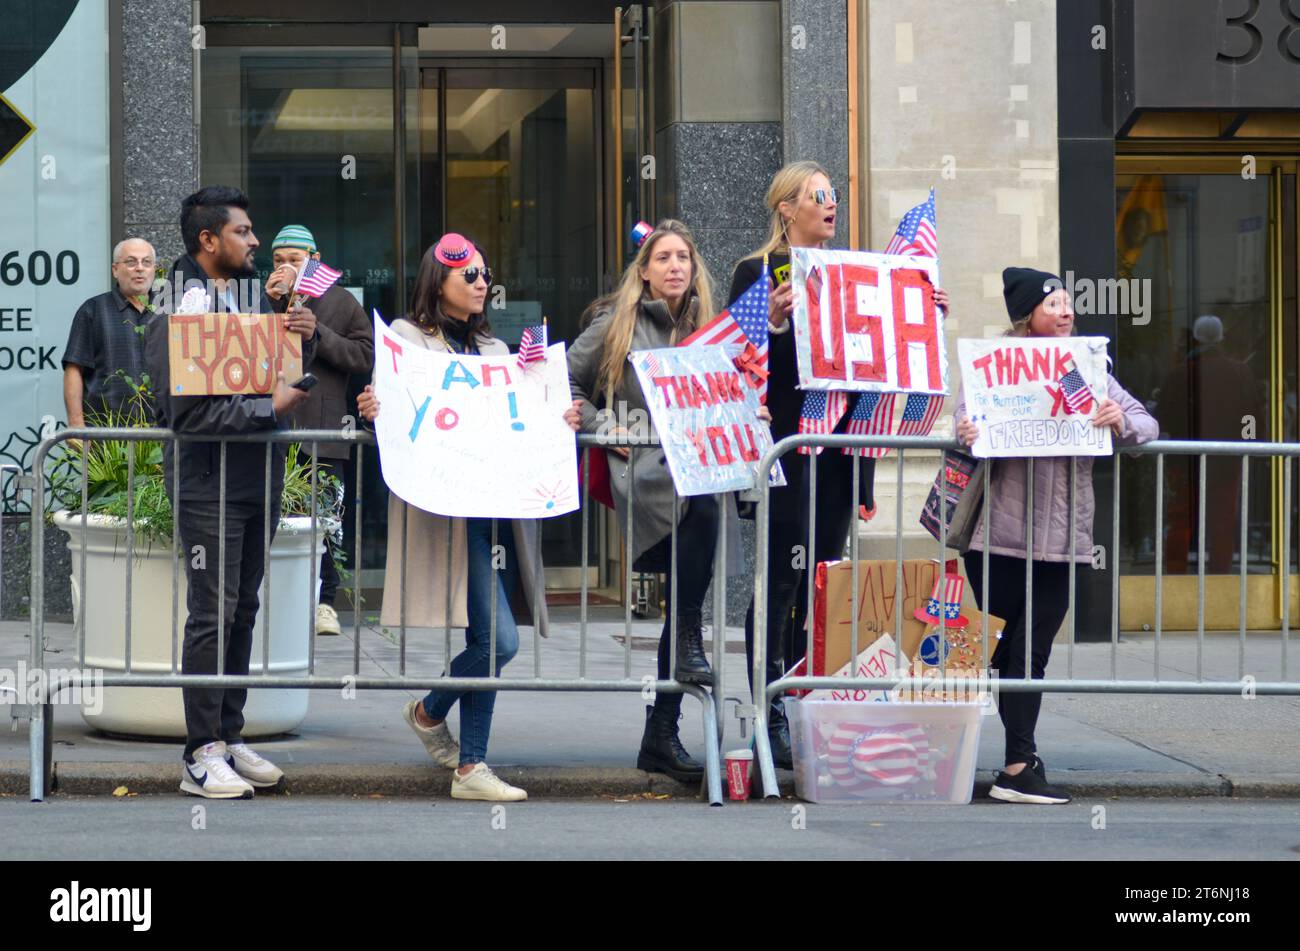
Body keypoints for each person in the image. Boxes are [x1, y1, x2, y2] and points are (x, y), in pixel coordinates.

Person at [730, 161, 949, 768]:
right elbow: (738, 360)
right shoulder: (757, 271)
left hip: (837, 458)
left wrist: (919, 312)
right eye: (818, 197)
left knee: (823, 583)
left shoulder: (852, 274)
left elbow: (872, 374)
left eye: (833, 197)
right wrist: (774, 320)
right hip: (784, 452)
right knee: (779, 579)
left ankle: (808, 699)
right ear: (786, 208)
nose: (831, 206)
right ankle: (766, 706)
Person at [356, 233, 580, 802]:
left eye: (484, 274)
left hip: (493, 516)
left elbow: (525, 419)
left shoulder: (499, 355)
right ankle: (460, 752)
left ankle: (443, 729)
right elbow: (393, 412)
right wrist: (371, 409)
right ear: (439, 283)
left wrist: (562, 412)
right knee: (499, 641)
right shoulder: (407, 340)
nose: (483, 283)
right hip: (445, 513)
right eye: (470, 276)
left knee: (491, 637)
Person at [955, 267, 1157, 805]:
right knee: (1006, 651)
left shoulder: (1088, 370)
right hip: (995, 538)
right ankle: (1020, 763)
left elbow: (1147, 425)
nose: (1066, 312)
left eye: (1069, 303)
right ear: (1028, 316)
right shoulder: (993, 369)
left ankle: (1019, 763)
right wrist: (967, 430)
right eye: (1054, 305)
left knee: (1032, 648)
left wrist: (1121, 420)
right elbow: (960, 422)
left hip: (1062, 540)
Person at [145, 185, 319, 799]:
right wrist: (265, 409)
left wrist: (305, 333)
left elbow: (285, 375)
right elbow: (185, 416)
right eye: (243, 232)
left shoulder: (246, 298)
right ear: (208, 240)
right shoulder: (177, 305)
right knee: (212, 614)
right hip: (207, 485)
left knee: (242, 610)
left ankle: (229, 734)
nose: (255, 241)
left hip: (258, 478)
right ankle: (200, 754)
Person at [568, 219, 756, 783]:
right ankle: (683, 657)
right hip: (647, 477)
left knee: (687, 587)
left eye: (684, 257)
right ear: (644, 271)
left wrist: (751, 412)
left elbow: (736, 393)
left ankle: (661, 732)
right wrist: (603, 425)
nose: (676, 266)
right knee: (698, 523)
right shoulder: (615, 324)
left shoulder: (712, 331)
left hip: (700, 473)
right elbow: (565, 381)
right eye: (664, 257)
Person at [264, 224, 375, 635]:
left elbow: (364, 356)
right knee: (270, 512)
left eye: (294, 259)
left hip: (324, 427)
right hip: (269, 422)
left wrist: (320, 333)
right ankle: (276, 597)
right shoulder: (261, 299)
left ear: (314, 258)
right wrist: (269, 305)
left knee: (326, 517)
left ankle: (325, 602)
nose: (285, 266)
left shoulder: (341, 302)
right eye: (278, 260)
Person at [1155, 314, 1257, 574]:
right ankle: (1220, 578)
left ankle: (1175, 580)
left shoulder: (1179, 374)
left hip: (1184, 461)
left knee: (1181, 520)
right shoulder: (1240, 373)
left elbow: (1163, 416)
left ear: (1195, 338)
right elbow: (1252, 414)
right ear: (1221, 338)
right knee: (1222, 524)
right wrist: (1250, 444)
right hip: (1227, 461)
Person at [63, 238, 158, 425]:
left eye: (146, 262)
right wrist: (76, 424)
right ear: (115, 269)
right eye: (131, 262)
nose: (140, 268)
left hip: (162, 433)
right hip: (106, 435)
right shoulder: (93, 310)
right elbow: (74, 368)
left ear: (154, 269)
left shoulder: (168, 313)